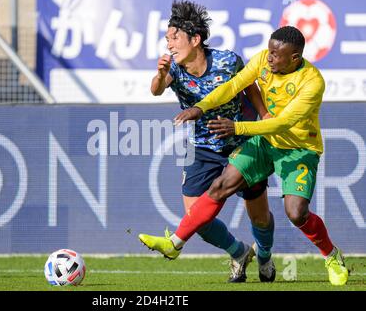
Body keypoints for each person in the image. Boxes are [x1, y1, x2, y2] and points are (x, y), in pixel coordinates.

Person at [140, 25, 349, 286]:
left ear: (294, 58)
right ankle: (175, 244)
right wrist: (200, 107)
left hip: (298, 148)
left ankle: (331, 255)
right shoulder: (263, 59)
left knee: (296, 213)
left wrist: (237, 127)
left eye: (276, 54)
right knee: (221, 185)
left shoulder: (312, 81)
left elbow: (282, 123)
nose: (269, 57)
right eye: (269, 51)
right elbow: (235, 85)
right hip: (263, 142)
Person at [140, 0, 276, 283]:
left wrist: (264, 116)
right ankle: (238, 252)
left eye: (174, 39)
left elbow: (249, 87)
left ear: (196, 39)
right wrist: (161, 74)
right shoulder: (174, 70)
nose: (170, 45)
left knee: (260, 217)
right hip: (202, 148)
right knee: (195, 218)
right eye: (167, 40)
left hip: (240, 142)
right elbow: (155, 90)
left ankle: (264, 256)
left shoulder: (228, 60)